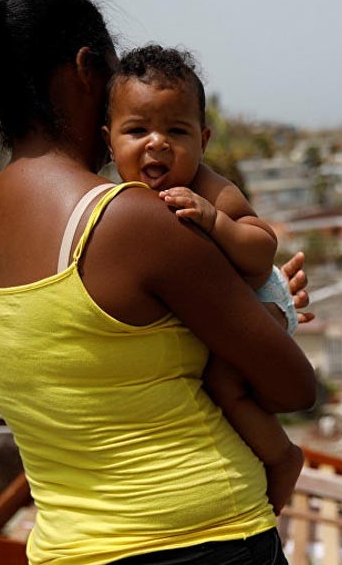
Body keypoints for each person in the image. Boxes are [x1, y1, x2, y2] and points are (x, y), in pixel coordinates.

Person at [0, 0, 315, 565]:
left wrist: (247, 298)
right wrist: (266, 319)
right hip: (203, 541)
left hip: (65, 550)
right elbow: (294, 387)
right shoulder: (129, 220)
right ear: (88, 72)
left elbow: (97, 365)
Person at [102, 45, 305, 516]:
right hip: (226, 308)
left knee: (221, 380)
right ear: (109, 141)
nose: (157, 143)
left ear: (204, 139)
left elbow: (261, 249)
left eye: (177, 130)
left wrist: (217, 222)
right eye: (137, 130)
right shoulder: (121, 199)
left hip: (263, 302)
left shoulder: (211, 189)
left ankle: (282, 456)